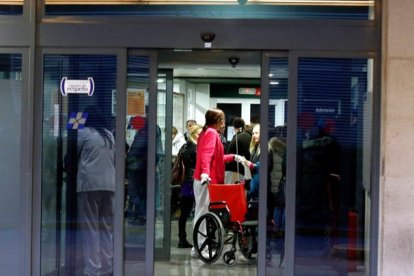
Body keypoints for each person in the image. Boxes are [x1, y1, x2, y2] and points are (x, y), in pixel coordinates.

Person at [191, 108, 245, 258]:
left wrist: (232, 157)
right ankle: (199, 248)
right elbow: (206, 155)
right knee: (202, 213)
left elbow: (216, 157)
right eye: (222, 119)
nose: (224, 122)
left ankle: (199, 247)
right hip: (207, 180)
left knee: (203, 212)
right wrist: (205, 173)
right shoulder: (211, 133)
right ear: (218, 121)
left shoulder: (207, 132)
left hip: (207, 178)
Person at [76, 106, 115, 276]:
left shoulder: (83, 133)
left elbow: (70, 153)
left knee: (91, 228)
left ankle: (93, 268)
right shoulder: (109, 135)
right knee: (106, 227)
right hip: (109, 185)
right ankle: (107, 266)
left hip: (89, 185)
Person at [177, 124, 202, 248]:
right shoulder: (194, 148)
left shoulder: (185, 147)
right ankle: (184, 239)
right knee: (191, 211)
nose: (200, 136)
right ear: (193, 134)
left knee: (185, 212)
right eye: (198, 134)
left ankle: (182, 238)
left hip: (186, 182)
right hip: (191, 182)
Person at [126, 116, 149, 226]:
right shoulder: (144, 133)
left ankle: (139, 215)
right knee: (138, 192)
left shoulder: (142, 135)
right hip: (140, 167)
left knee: (134, 192)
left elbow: (135, 152)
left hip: (136, 167)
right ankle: (139, 214)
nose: (133, 127)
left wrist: (126, 161)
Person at [225, 117, 252, 184]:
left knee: (231, 192)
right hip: (244, 171)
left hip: (233, 171)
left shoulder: (237, 138)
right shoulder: (249, 137)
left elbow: (229, 154)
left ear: (234, 127)